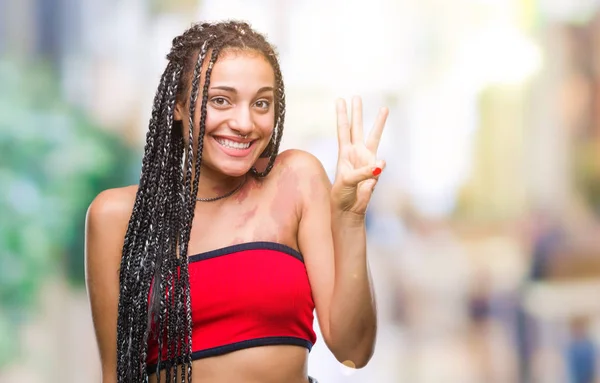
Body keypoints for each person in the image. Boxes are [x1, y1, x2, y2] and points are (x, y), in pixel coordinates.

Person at [85, 20, 388, 383]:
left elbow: (354, 351)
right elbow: (115, 375)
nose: (244, 123)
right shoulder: (119, 217)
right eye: (220, 100)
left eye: (262, 103)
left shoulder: (296, 179)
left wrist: (351, 220)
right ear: (179, 106)